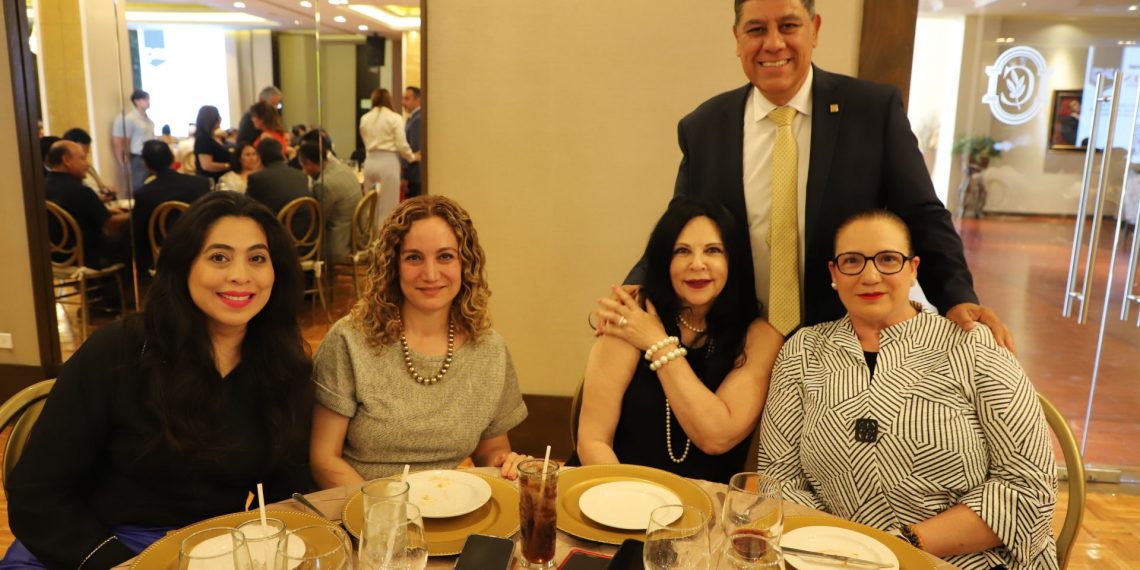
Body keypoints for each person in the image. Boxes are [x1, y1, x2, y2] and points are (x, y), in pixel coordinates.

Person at [623, 0, 1013, 351]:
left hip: (844, 343)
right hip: (737, 340)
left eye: (788, 26)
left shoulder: (872, 112)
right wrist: (636, 285)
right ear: (737, 39)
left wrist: (956, 297)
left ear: (815, 29)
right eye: (756, 29)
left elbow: (922, 214)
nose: (773, 43)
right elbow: (682, 224)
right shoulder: (705, 127)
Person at [5, 192, 314, 569]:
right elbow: (36, 493)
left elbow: (284, 492)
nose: (240, 275)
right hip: (89, 545)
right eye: (219, 257)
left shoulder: (283, 366)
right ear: (184, 266)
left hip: (209, 551)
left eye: (257, 258)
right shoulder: (119, 351)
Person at [755, 210, 1057, 570]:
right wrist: (840, 552)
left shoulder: (972, 345)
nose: (870, 276)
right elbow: (778, 480)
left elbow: (1029, 487)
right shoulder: (803, 351)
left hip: (968, 561)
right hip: (831, 559)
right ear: (834, 273)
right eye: (852, 261)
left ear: (913, 269)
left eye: (888, 259)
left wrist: (900, 546)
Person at [310, 196, 529, 485]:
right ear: (393, 266)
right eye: (414, 257)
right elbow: (324, 459)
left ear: (465, 264)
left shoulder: (490, 350)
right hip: (360, 502)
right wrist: (384, 507)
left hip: (447, 501)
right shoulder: (349, 341)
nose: (430, 274)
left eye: (445, 256)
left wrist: (504, 462)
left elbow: (492, 447)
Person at [578, 198, 783, 484]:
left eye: (713, 250)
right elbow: (593, 441)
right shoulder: (633, 314)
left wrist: (657, 342)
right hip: (614, 492)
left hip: (707, 506)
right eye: (682, 251)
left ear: (732, 260)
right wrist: (626, 499)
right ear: (665, 260)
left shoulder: (760, 337)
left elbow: (716, 436)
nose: (697, 264)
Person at [43, 140, 129, 268]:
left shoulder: (42, 187)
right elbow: (111, 224)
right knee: (134, 237)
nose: (87, 164)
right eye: (82, 158)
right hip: (87, 257)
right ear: (66, 160)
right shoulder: (80, 190)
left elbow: (75, 211)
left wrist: (109, 211)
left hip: (54, 257)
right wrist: (135, 213)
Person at [132, 140, 210, 271]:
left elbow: (137, 233)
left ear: (146, 164)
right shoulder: (201, 184)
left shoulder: (144, 194)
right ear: (172, 158)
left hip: (164, 253)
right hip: (199, 246)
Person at [298, 140, 362, 263]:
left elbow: (319, 219)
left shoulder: (323, 184)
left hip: (340, 241)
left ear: (308, 163)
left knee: (299, 234)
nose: (303, 171)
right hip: (359, 232)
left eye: (303, 166)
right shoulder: (342, 168)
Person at [359, 88, 416, 225]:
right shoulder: (394, 118)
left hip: (370, 161)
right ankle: (385, 235)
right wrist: (412, 157)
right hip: (388, 161)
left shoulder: (365, 118)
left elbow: (365, 141)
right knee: (388, 206)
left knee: (371, 205)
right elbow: (401, 145)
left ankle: (371, 234)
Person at [246, 138, 310, 218]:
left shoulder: (257, 178)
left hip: (278, 224)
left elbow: (247, 206)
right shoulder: (301, 174)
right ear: (281, 153)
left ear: (260, 156)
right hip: (310, 223)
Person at [111, 89, 155, 193]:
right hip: (137, 157)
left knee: (150, 186)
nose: (147, 102)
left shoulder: (149, 121)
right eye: (144, 99)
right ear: (136, 101)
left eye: (148, 99)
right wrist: (123, 164)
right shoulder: (130, 119)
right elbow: (120, 143)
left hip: (149, 156)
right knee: (138, 187)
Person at [61, 127, 116, 201]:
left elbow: (101, 188)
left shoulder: (89, 168)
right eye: (81, 157)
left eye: (85, 155)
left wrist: (108, 191)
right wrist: (98, 199)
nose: (86, 163)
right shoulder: (66, 179)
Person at [193, 105, 230, 183]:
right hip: (211, 181)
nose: (220, 119)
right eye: (217, 117)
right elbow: (207, 165)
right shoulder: (203, 139)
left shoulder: (215, 137)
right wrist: (228, 166)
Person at [402, 86, 424, 198]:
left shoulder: (417, 119)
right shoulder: (414, 118)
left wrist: (406, 177)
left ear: (418, 100)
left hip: (415, 177)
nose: (403, 102)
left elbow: (416, 153)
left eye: (407, 99)